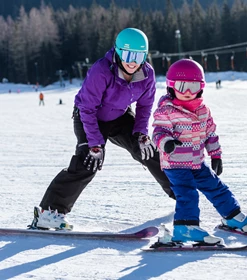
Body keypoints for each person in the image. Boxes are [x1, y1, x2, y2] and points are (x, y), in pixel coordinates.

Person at [30, 27, 175, 231]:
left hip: (119, 116)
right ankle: (48, 213)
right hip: (89, 117)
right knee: (88, 161)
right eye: (127, 54)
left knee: (147, 150)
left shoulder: (147, 75)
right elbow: (87, 108)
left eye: (138, 56)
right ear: (117, 51)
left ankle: (180, 193)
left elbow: (144, 107)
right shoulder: (102, 70)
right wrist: (95, 144)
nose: (132, 61)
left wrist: (141, 134)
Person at [152, 59, 247, 244]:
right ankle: (184, 228)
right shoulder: (166, 111)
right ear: (172, 87)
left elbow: (210, 133)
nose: (188, 92)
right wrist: (166, 142)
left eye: (193, 86)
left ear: (201, 87)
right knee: (187, 193)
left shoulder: (203, 111)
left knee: (216, 187)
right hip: (175, 164)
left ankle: (232, 216)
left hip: (197, 162)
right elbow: (158, 131)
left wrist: (216, 154)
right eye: (182, 86)